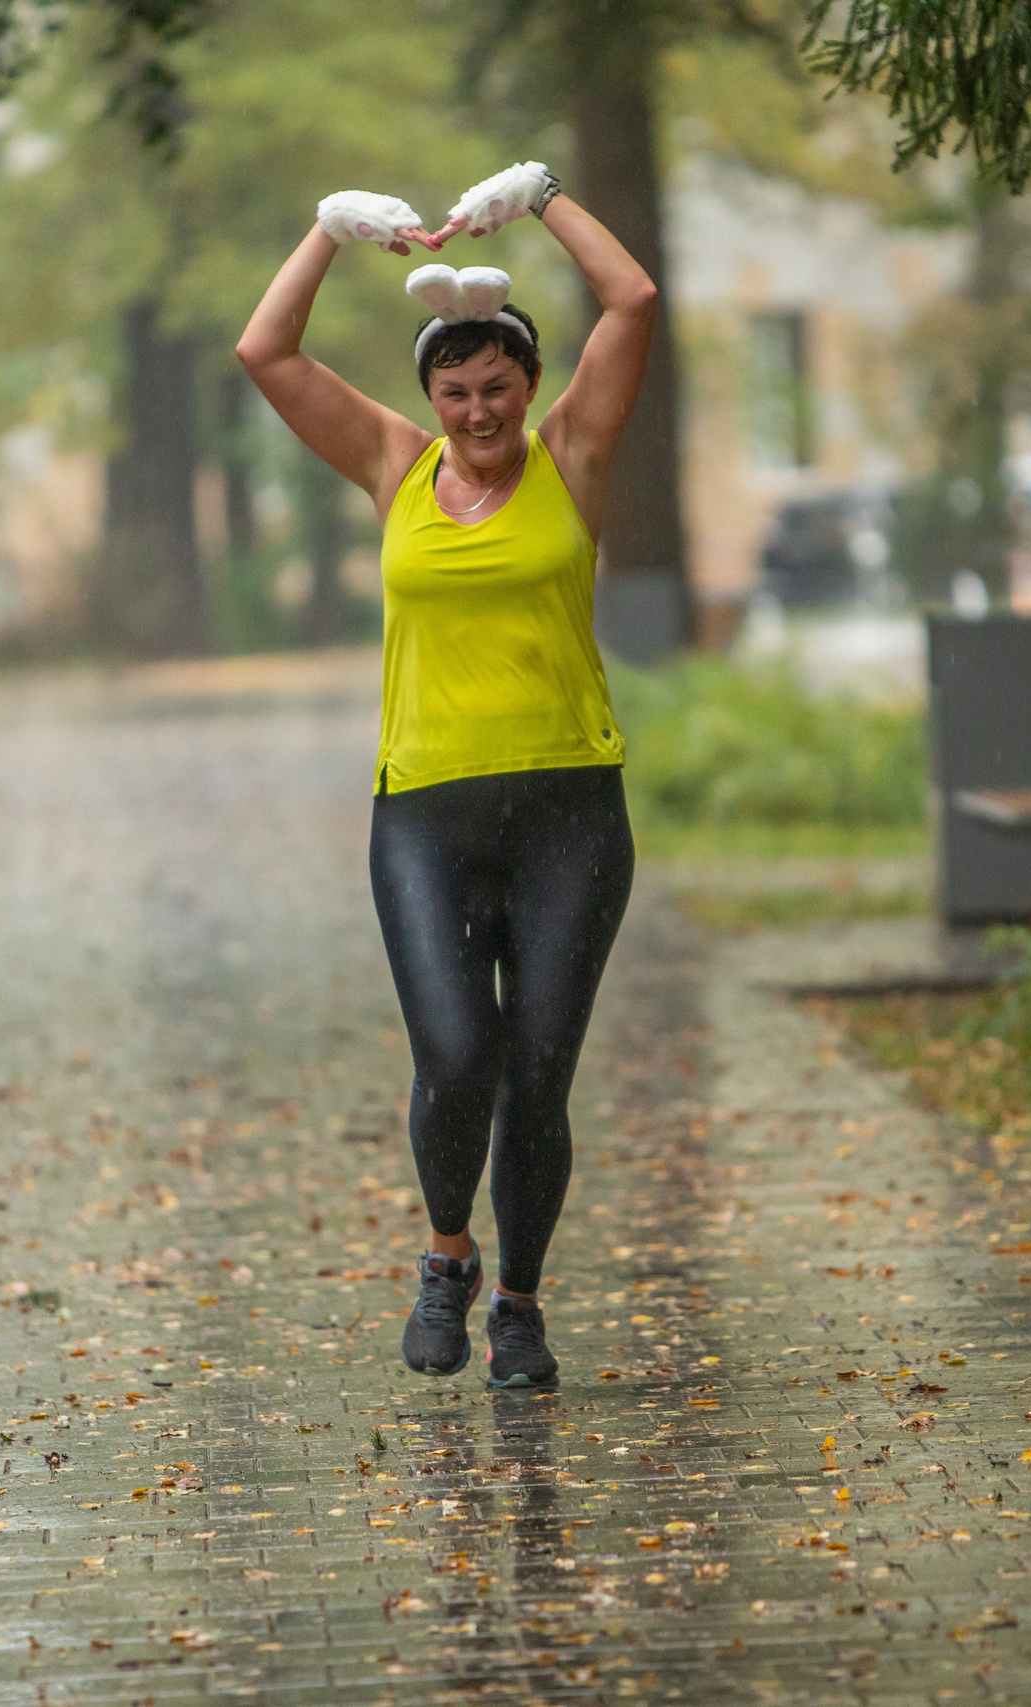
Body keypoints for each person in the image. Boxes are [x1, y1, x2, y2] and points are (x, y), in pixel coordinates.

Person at [235, 162, 657, 1389]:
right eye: (456, 391)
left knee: (537, 1072)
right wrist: (322, 227)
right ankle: (444, 1258)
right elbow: (266, 351)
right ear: (429, 393)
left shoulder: (571, 454)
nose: (478, 412)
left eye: (498, 389)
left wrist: (546, 199)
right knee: (456, 1058)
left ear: (531, 385)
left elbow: (629, 304)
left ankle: (517, 1305)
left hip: (571, 812)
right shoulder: (392, 464)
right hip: (422, 811)